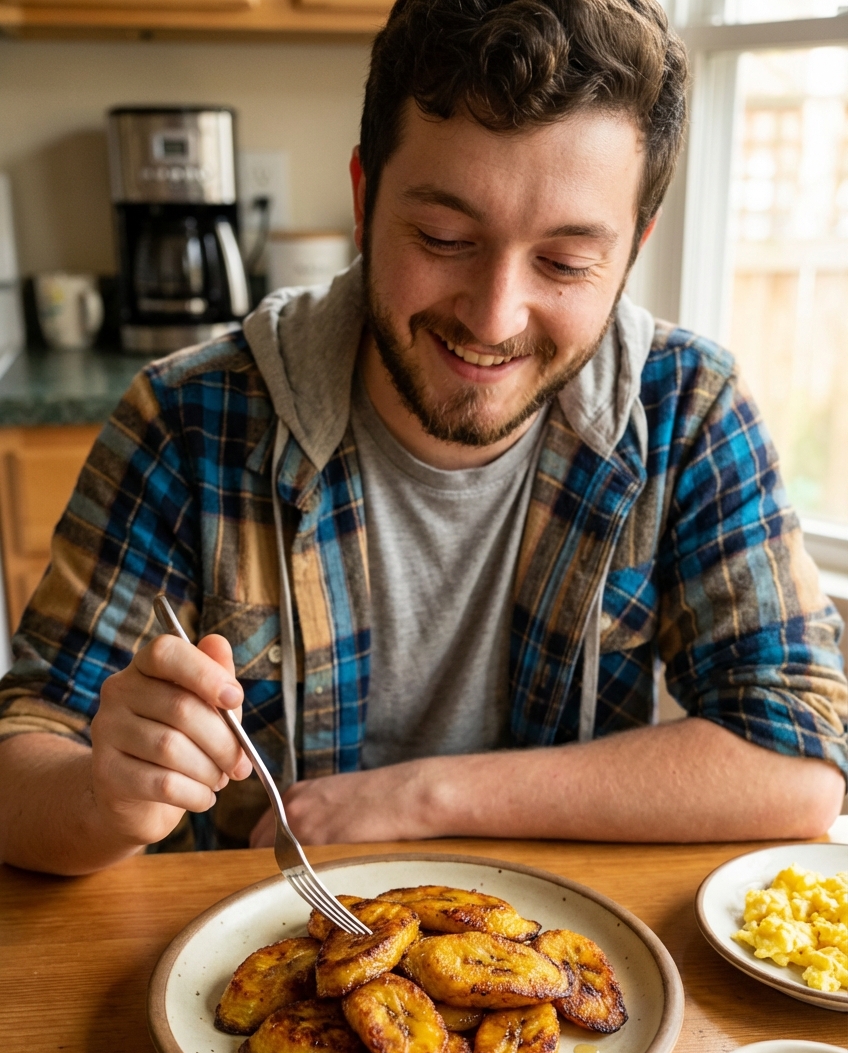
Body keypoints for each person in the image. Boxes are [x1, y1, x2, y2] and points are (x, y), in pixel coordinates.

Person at [1, 0, 846, 877]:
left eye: (564, 263)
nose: (494, 318)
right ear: (364, 199)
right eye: (444, 239)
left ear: (632, 248)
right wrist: (105, 797)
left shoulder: (688, 408)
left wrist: (421, 798)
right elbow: (19, 759)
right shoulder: (186, 418)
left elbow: (802, 761)